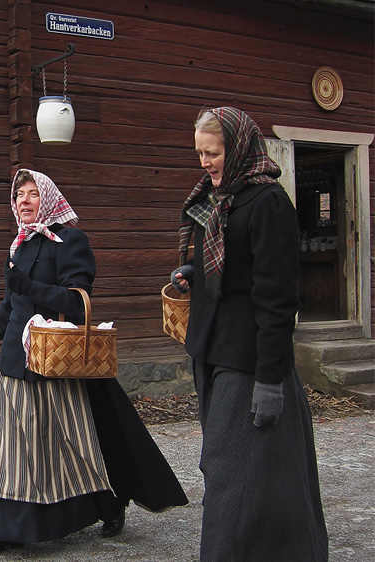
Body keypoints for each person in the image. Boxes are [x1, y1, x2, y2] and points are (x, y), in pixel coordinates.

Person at [0, 168, 188, 558]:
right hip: (17, 362)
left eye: (32, 193)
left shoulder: (70, 240)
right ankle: (4, 530)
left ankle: (108, 502)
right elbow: (12, 302)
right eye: (19, 194)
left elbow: (77, 302)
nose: (23, 200)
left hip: (57, 361)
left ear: (49, 198)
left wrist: (30, 287)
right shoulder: (18, 245)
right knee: (12, 448)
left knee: (73, 444)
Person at [170, 107, 328, 561]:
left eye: (213, 152)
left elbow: (277, 301)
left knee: (229, 473)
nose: (205, 162)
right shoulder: (218, 200)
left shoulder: (268, 203)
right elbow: (228, 266)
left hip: (247, 361)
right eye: (200, 153)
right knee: (245, 471)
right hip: (210, 352)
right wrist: (194, 271)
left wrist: (270, 378)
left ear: (237, 148)